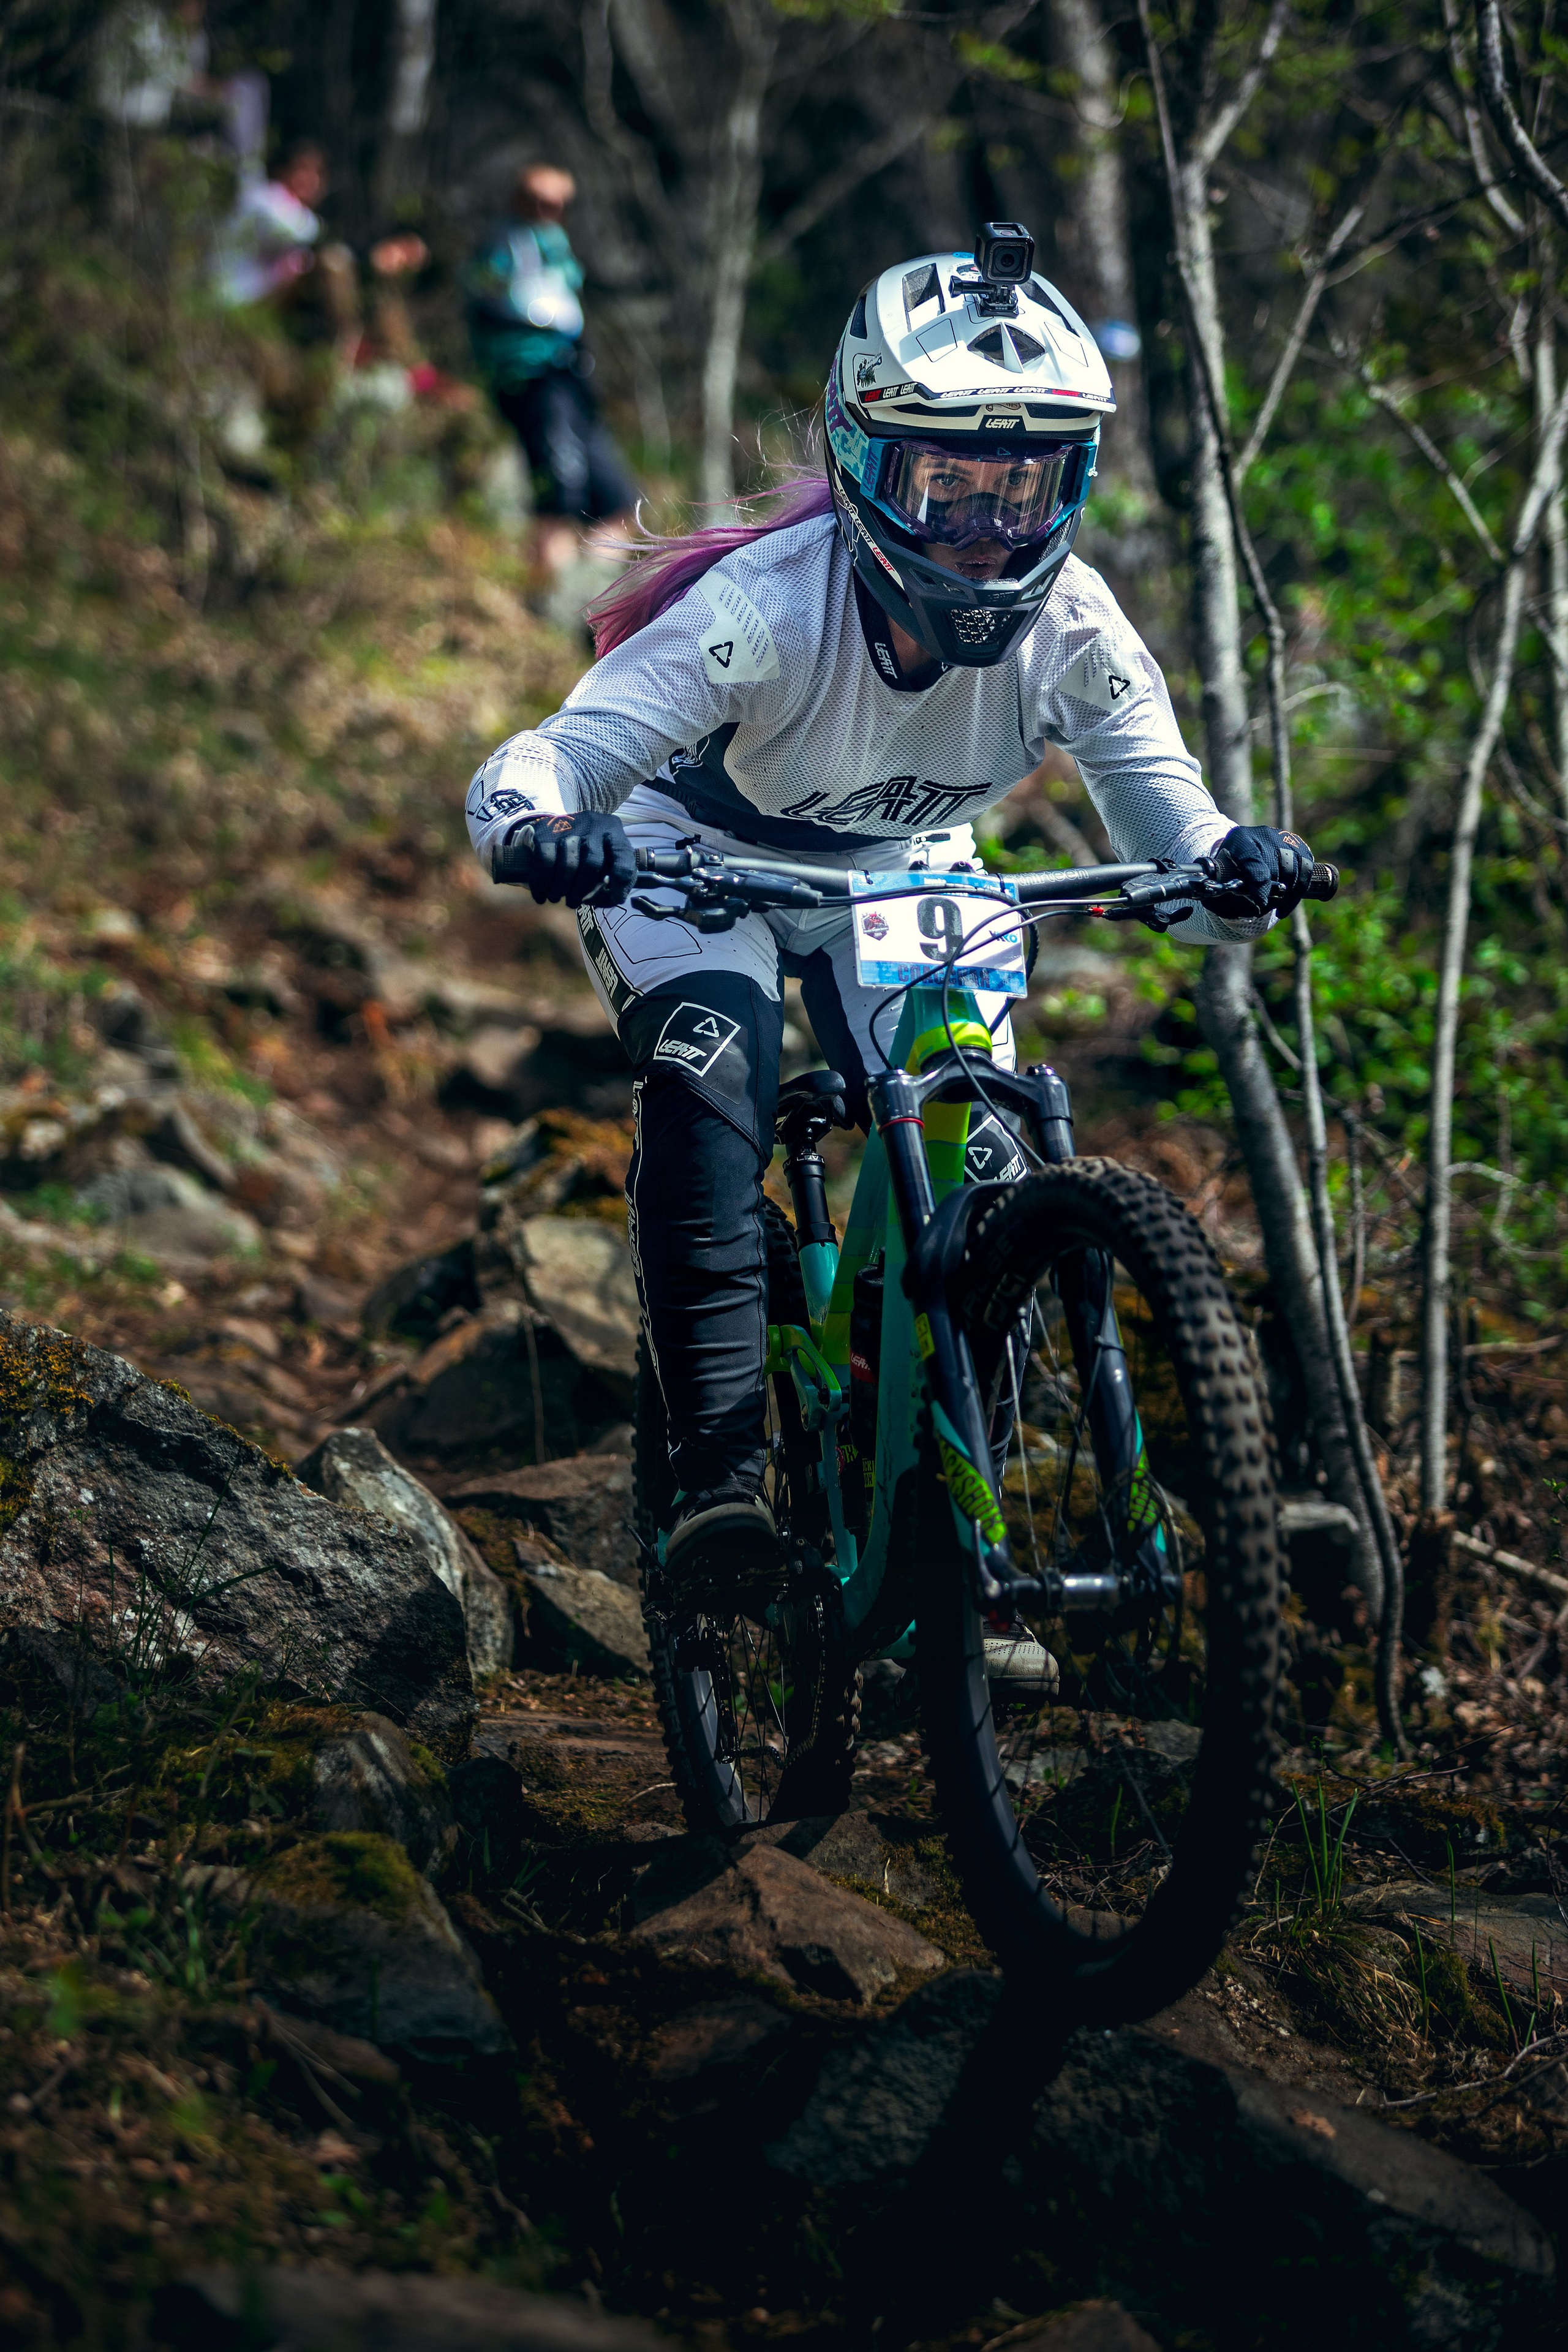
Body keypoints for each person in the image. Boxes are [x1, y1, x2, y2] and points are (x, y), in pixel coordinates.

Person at [463, 229, 1317, 1628]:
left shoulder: (1076, 627)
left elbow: (1170, 813)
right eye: (945, 483)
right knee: (706, 1078)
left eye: (1023, 484)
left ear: (1072, 479)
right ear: (865, 461)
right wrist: (543, 825)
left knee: (978, 1144)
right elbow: (549, 756)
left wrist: (1227, 860)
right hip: (701, 857)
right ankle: (719, 1478)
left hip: (910, 863)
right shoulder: (761, 609)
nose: (987, 526)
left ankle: (946, 1504)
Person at [465, 164, 637, 575]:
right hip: (533, 378)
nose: (549, 211)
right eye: (540, 202)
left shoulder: (557, 245)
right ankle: (550, 601)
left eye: (559, 204)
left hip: (572, 378)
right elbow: (484, 300)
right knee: (559, 491)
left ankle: (594, 608)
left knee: (616, 498)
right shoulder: (501, 247)